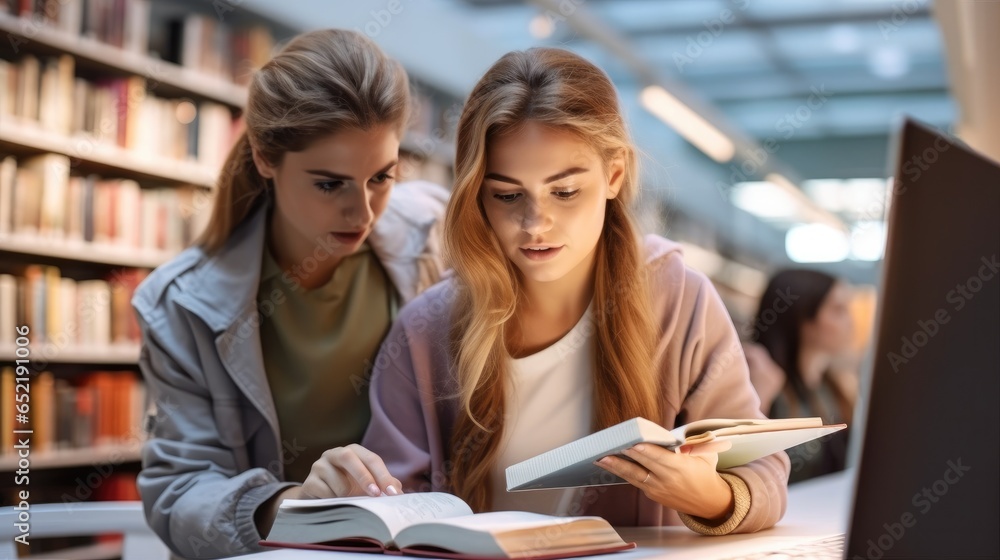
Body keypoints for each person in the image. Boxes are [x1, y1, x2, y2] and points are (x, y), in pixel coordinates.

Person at [324, 47, 789, 535]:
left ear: (614, 175)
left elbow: (765, 473)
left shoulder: (680, 300)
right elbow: (391, 507)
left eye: (564, 192)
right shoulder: (425, 329)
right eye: (507, 194)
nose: (535, 223)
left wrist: (710, 496)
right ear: (475, 192)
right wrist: (356, 492)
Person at [131, 29, 448, 558]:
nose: (364, 212)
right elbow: (178, 490)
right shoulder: (178, 304)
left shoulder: (435, 234)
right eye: (330, 184)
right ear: (263, 157)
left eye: (381, 177)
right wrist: (288, 505)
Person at [744, 269, 857, 483]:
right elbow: (737, 467)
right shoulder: (761, 382)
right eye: (838, 310)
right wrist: (759, 400)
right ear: (803, 317)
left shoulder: (833, 387)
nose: (850, 322)